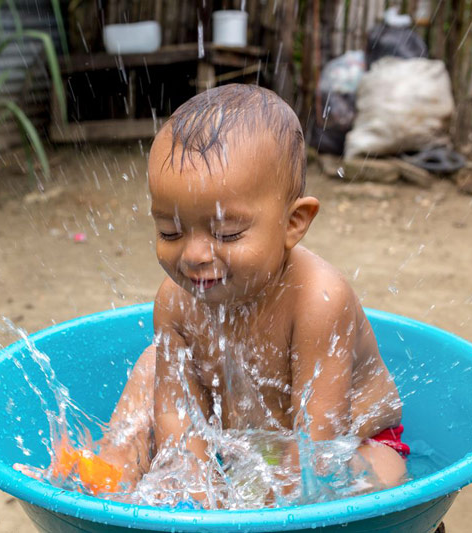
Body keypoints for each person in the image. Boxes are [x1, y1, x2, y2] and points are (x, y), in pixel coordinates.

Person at [50, 84, 407, 505]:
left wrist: (262, 502)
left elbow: (319, 445)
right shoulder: (175, 301)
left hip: (344, 443)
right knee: (155, 363)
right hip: (241, 439)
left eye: (226, 233)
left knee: (378, 475)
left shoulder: (318, 300)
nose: (195, 254)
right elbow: (176, 420)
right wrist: (196, 491)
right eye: (170, 231)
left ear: (294, 222)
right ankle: (115, 463)